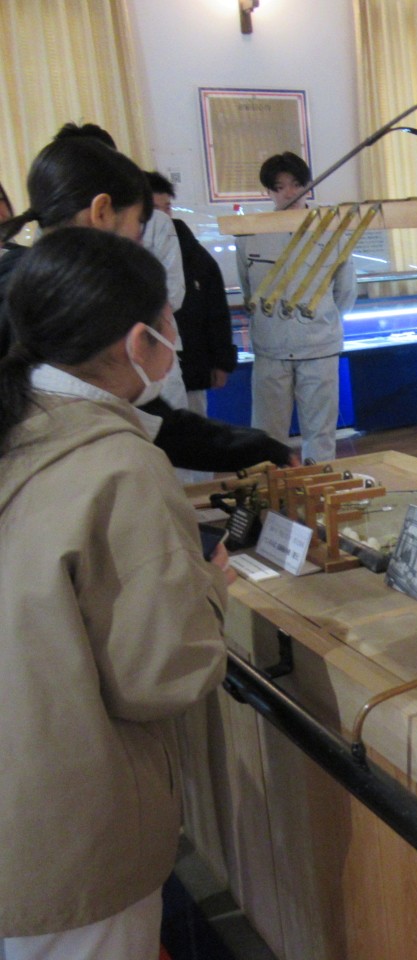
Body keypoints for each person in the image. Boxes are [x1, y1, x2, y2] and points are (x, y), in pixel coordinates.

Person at [0, 228, 230, 956]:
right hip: (65, 829)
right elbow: (159, 675)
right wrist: (211, 588)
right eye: (168, 323)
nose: (174, 341)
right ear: (139, 340)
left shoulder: (20, 426)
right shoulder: (119, 465)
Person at [0, 136, 291, 471]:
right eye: (139, 227)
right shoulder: (49, 298)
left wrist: (256, 447)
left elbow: (152, 419)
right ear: (101, 212)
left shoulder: (51, 285)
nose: (138, 245)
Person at [52, 123, 189, 410]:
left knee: (163, 426)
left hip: (148, 354)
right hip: (83, 374)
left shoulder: (155, 223)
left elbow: (173, 292)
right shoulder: (49, 244)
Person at [237, 151, 356, 463]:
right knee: (266, 434)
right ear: (269, 191)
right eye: (278, 187)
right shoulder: (251, 232)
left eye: (294, 185)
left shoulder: (331, 229)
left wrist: (320, 320)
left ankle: (320, 488)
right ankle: (271, 489)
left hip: (319, 346)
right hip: (270, 348)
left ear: (307, 186)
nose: (287, 193)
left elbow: (345, 290)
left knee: (320, 432)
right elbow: (249, 288)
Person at [148, 171, 238, 417]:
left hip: (192, 362)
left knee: (193, 425)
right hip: (147, 368)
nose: (162, 216)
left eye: (167, 207)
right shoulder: (130, 252)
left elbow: (215, 307)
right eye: (154, 209)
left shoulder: (192, 251)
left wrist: (221, 360)